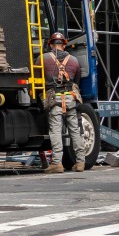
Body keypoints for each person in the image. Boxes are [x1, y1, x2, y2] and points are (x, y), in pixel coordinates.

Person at [42, 32, 86, 173]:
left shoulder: (43, 58)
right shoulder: (74, 60)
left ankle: (57, 163)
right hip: (71, 98)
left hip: (55, 98)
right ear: (64, 44)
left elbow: (37, 78)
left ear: (50, 44)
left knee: (55, 130)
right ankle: (80, 162)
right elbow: (77, 80)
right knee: (75, 129)